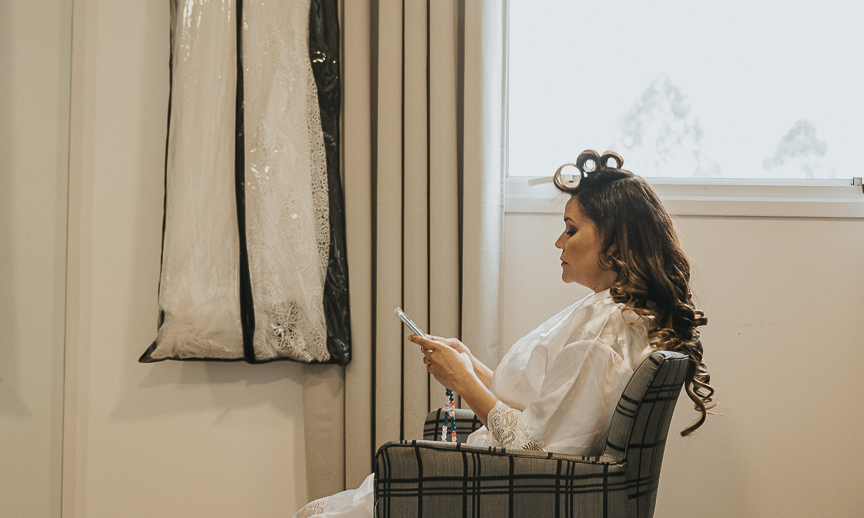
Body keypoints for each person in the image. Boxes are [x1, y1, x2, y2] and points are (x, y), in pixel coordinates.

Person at [293, 150, 715, 518]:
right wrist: (471, 365)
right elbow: (543, 406)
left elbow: (535, 449)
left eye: (571, 229)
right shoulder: (610, 314)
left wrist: (463, 381)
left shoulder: (604, 330)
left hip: (498, 490)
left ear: (615, 242)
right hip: (497, 480)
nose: (559, 242)